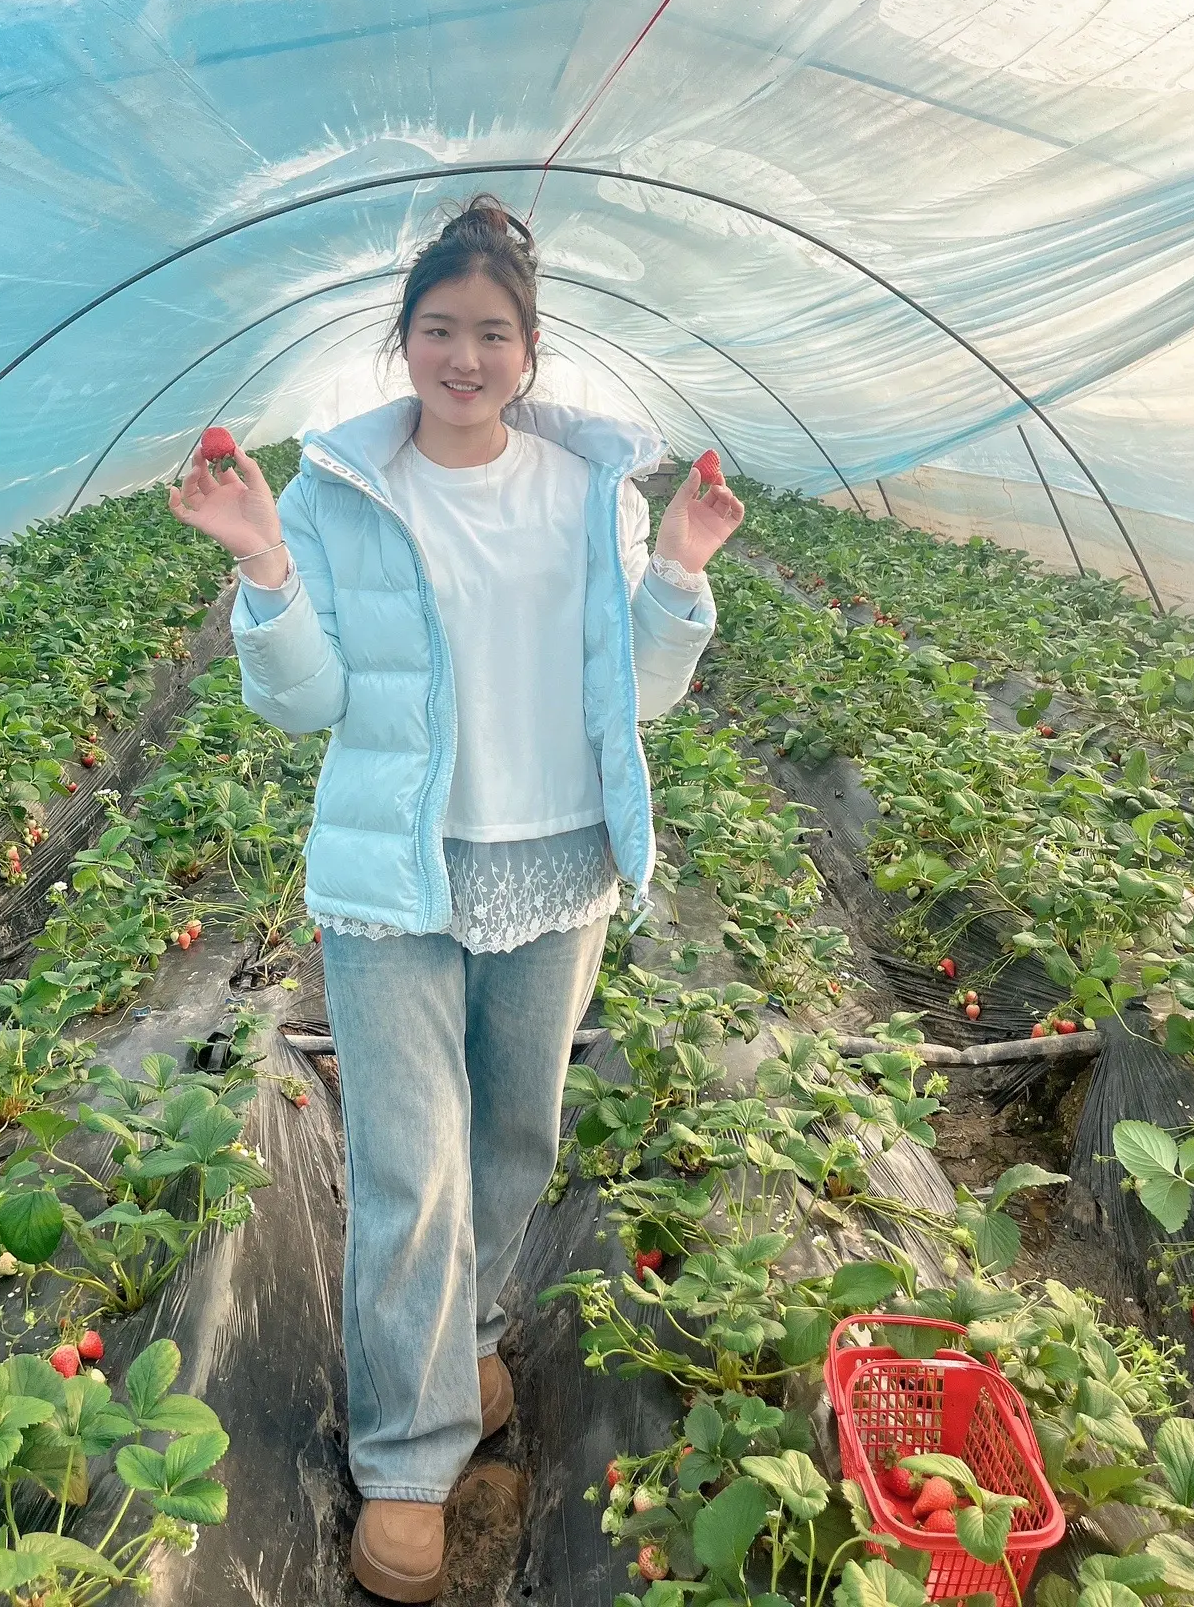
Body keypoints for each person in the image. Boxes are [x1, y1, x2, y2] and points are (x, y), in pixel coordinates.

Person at [167, 194, 743, 1601]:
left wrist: (676, 572)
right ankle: (412, 1463)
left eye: (492, 332)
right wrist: (261, 564)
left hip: (554, 861)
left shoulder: (589, 496)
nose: (463, 355)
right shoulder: (340, 496)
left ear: (530, 352)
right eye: (439, 329)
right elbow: (305, 704)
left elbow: (636, 698)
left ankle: (474, 1336)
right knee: (409, 1169)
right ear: (403, 342)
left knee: (512, 1134)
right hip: (394, 878)